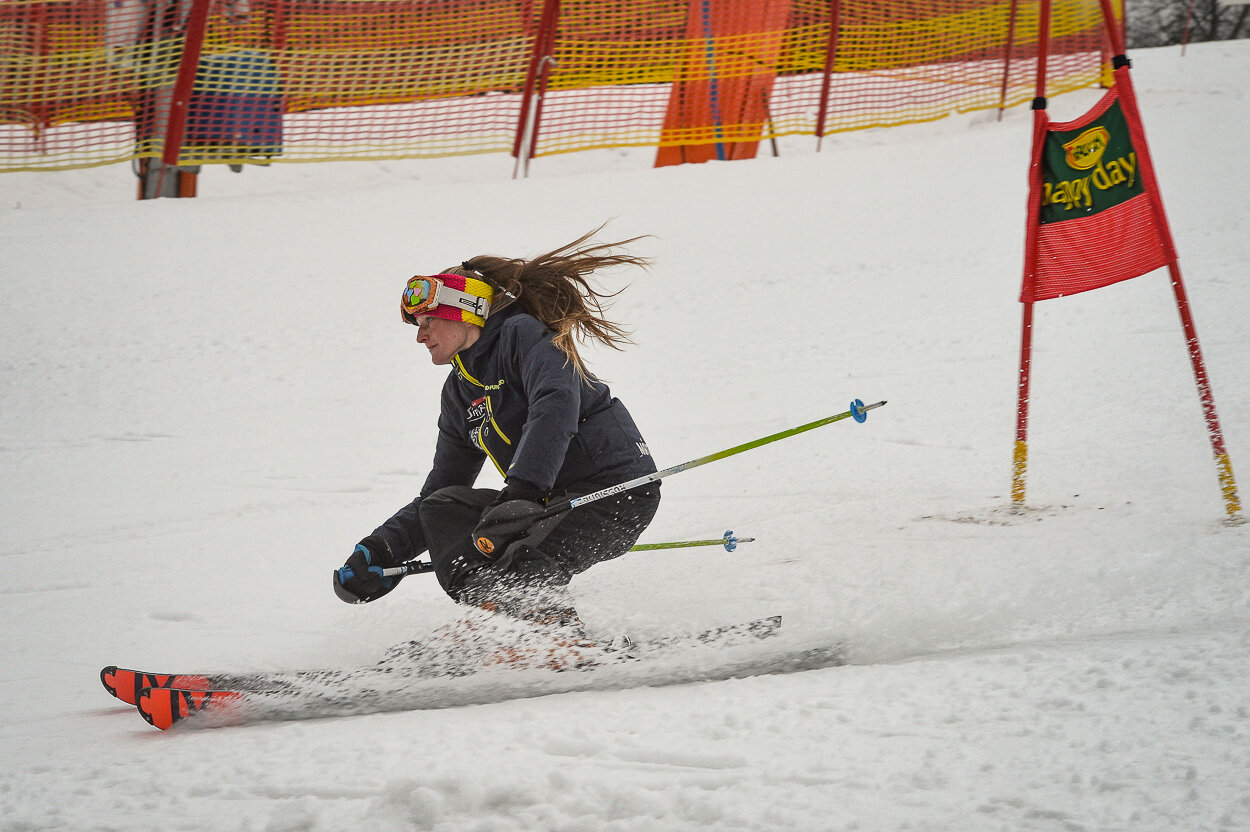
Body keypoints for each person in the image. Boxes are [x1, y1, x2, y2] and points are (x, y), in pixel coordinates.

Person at [335, 230, 660, 631]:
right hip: (545, 500)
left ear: (464, 311)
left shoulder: (523, 336)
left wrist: (523, 489)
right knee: (443, 508)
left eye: (429, 321)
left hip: (613, 493)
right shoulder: (459, 392)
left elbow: (556, 403)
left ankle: (553, 636)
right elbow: (439, 490)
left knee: (516, 550)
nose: (420, 335)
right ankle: (500, 620)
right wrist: (379, 549)